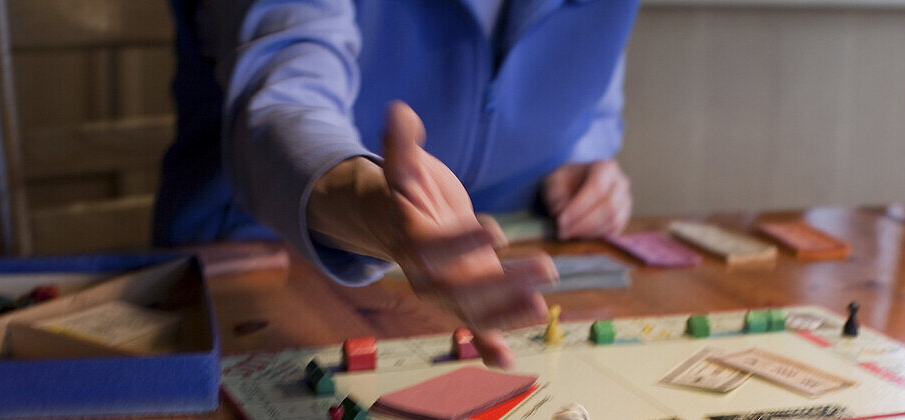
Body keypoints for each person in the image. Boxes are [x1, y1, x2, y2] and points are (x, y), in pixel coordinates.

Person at [156, 1, 639, 367]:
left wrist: (586, 153)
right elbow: (282, 103)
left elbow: (594, 93)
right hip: (249, 273)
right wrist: (375, 208)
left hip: (497, 279)